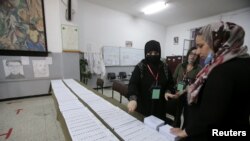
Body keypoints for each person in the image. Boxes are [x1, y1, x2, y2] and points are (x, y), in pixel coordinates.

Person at [170, 22, 250, 141]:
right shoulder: (244, 63)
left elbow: (211, 116)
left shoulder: (221, 70)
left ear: (219, 42)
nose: (197, 52)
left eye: (200, 46)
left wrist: (186, 132)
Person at [127, 40, 175, 121]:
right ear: (146, 53)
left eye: (156, 53)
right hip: (143, 107)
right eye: (150, 53)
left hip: (160, 107)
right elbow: (133, 84)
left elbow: (170, 83)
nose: (153, 55)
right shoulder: (140, 67)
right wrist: (133, 99)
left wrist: (168, 91)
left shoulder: (165, 67)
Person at [165, 47, 202, 128]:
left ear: (197, 57)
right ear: (188, 54)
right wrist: (169, 91)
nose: (192, 56)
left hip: (188, 97)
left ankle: (184, 133)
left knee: (187, 117)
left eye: (195, 55)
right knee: (176, 116)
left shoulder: (199, 69)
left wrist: (182, 92)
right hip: (177, 95)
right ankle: (175, 129)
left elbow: (195, 85)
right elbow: (173, 79)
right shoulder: (180, 66)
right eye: (191, 54)